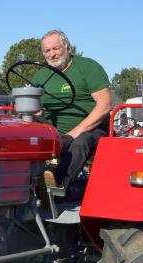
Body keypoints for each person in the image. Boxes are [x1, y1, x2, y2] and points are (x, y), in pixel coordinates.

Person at [32, 29, 112, 188]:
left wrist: (73, 134)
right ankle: (23, 183)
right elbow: (37, 111)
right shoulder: (41, 76)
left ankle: (55, 188)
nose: (52, 54)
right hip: (55, 132)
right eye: (47, 51)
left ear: (68, 48)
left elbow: (105, 105)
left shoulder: (88, 67)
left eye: (56, 48)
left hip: (92, 130)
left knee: (81, 142)